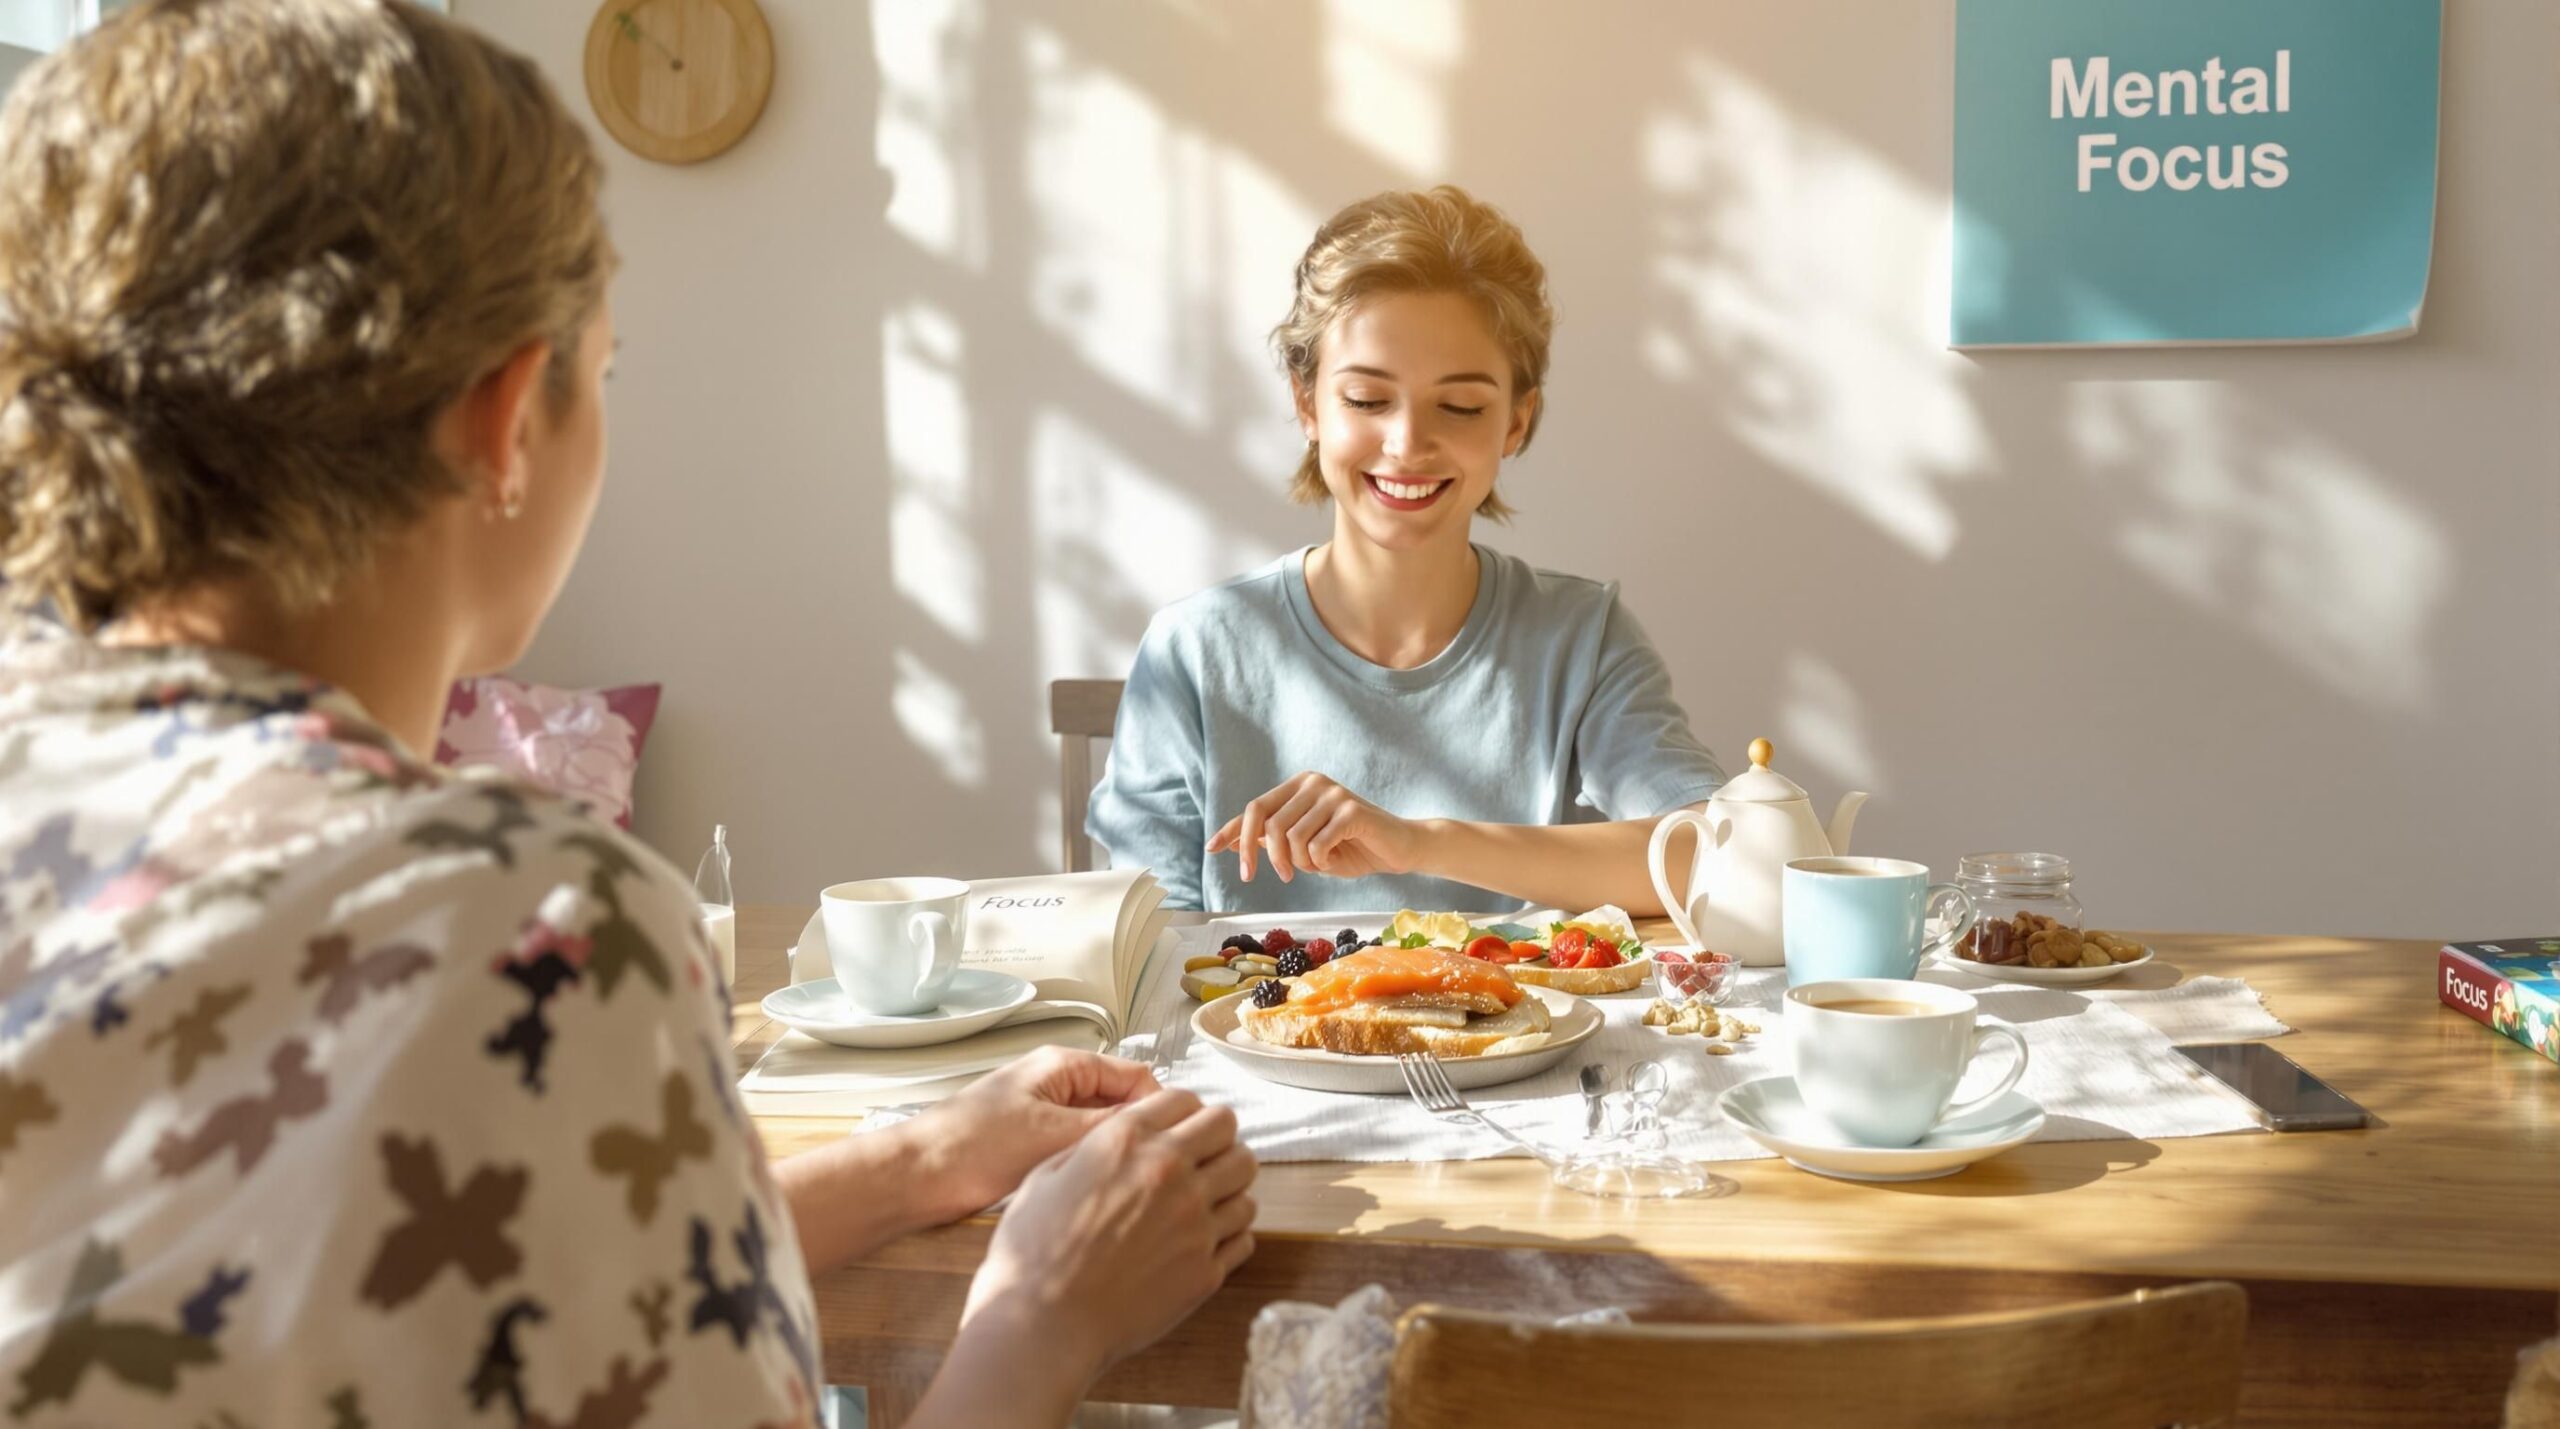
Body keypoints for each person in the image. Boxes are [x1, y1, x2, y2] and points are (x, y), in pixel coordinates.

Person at [0, 4, 1252, 1426]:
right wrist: (1043, 1316)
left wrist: (913, 1164)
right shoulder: (519, 922)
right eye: (607, 371)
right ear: (507, 415)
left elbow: (419, 1278)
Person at [1088, 186, 1725, 915]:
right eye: (1365, 399)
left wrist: (1421, 843)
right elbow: (1144, 942)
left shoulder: (1583, 638)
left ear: (1517, 421)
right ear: (1307, 404)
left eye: (1459, 407)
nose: (1407, 444)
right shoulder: (1194, 650)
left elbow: (1713, 854)